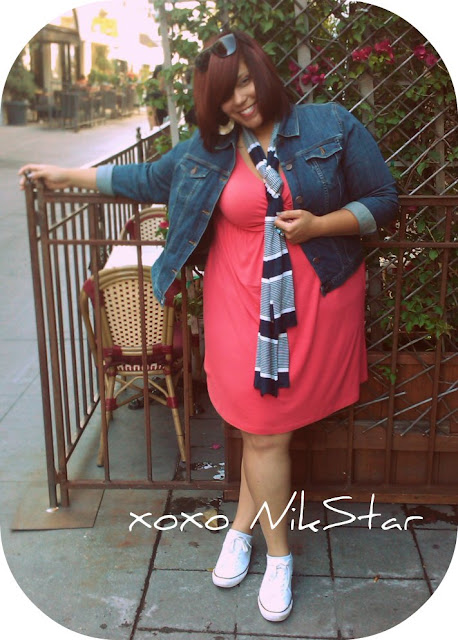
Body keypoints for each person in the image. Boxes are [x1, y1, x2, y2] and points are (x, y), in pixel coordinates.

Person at [19, 29, 398, 623]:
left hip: (314, 297)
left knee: (265, 433)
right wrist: (68, 176)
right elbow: (146, 179)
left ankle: (259, 543)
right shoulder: (209, 151)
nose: (240, 100)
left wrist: (320, 226)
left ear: (262, 72)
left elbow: (384, 198)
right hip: (237, 303)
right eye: (225, 94)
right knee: (261, 427)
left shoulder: (330, 124)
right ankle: (266, 545)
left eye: (244, 82)